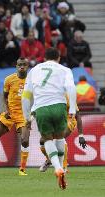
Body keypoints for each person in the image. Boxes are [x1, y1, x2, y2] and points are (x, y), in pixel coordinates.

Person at [22, 47, 77, 190]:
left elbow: (26, 95)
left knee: (47, 139)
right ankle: (61, 169)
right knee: (59, 138)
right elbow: (71, 87)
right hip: (59, 106)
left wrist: (26, 116)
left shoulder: (34, 70)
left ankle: (57, 167)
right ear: (59, 58)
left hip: (41, 108)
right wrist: (71, 109)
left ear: (44, 58)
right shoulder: (65, 70)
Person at [39, 96, 87, 173]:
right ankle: (49, 159)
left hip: (69, 119)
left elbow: (78, 116)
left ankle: (64, 167)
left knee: (60, 134)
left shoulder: (68, 96)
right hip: (56, 120)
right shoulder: (49, 96)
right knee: (42, 140)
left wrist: (81, 135)